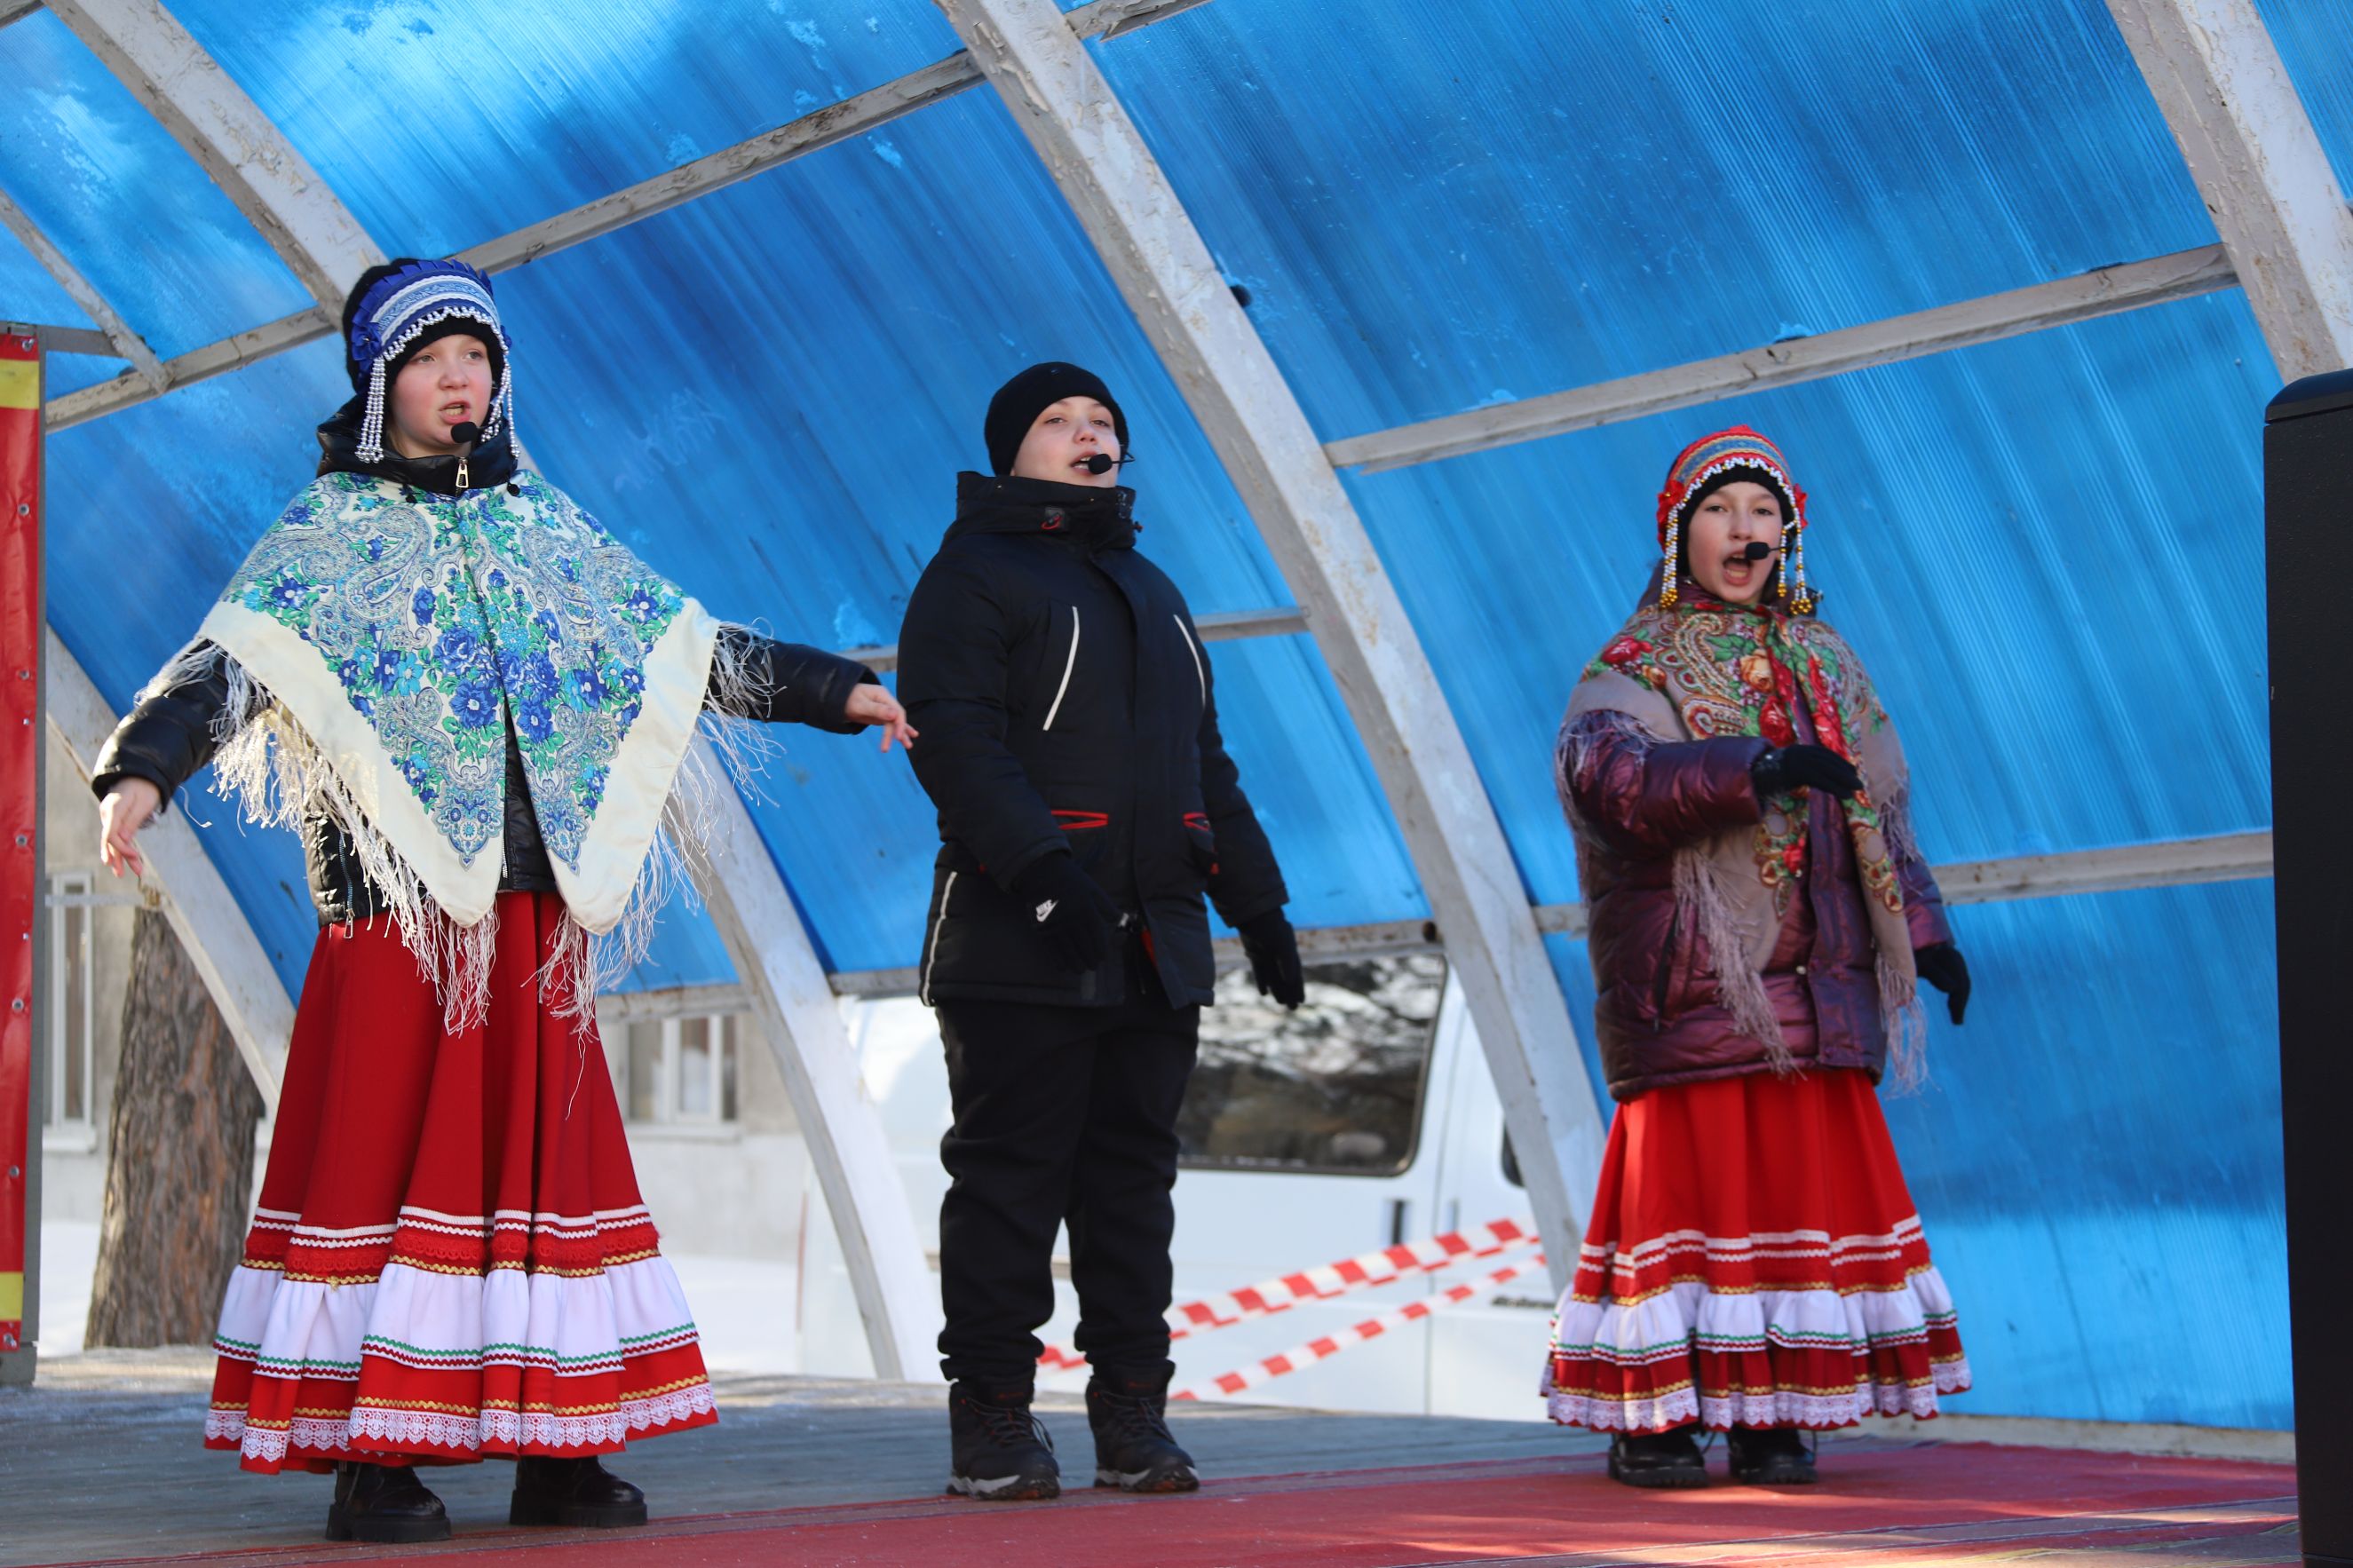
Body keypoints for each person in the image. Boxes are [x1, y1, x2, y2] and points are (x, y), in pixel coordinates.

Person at [91, 257, 913, 1543]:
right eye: (430, 358)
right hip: (400, 921)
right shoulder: (327, 536)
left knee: (542, 1175)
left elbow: (679, 646)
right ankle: (373, 1457)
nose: (458, 377)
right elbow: (226, 670)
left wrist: (833, 688)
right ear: (382, 382)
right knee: (381, 1164)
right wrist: (139, 773)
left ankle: (558, 1444)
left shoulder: (544, 528)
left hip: (533, 921)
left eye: (476, 355)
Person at [896, 362, 1303, 1501]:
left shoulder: (1153, 588)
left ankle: (1132, 1412)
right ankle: (992, 1416)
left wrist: (1258, 904)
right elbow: (955, 742)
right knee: (1009, 1183)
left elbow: (1202, 762)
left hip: (1153, 943)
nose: (1090, 433)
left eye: (1104, 421)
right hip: (1017, 940)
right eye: (1060, 419)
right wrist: (1041, 874)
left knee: (1131, 1191)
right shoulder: (971, 574)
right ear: (1011, 450)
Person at [1541, 426, 1972, 1489]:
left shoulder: (1830, 662)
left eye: (1762, 512)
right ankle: (1654, 1420)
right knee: (1687, 1204)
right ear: (1677, 532)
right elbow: (1611, 786)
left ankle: (1773, 1410)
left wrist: (1924, 937)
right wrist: (1757, 767)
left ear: (1790, 533)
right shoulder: (1631, 664)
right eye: (1720, 509)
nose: (1744, 530)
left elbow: (1883, 813)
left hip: (1821, 989)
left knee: (1793, 1203)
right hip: (1697, 978)